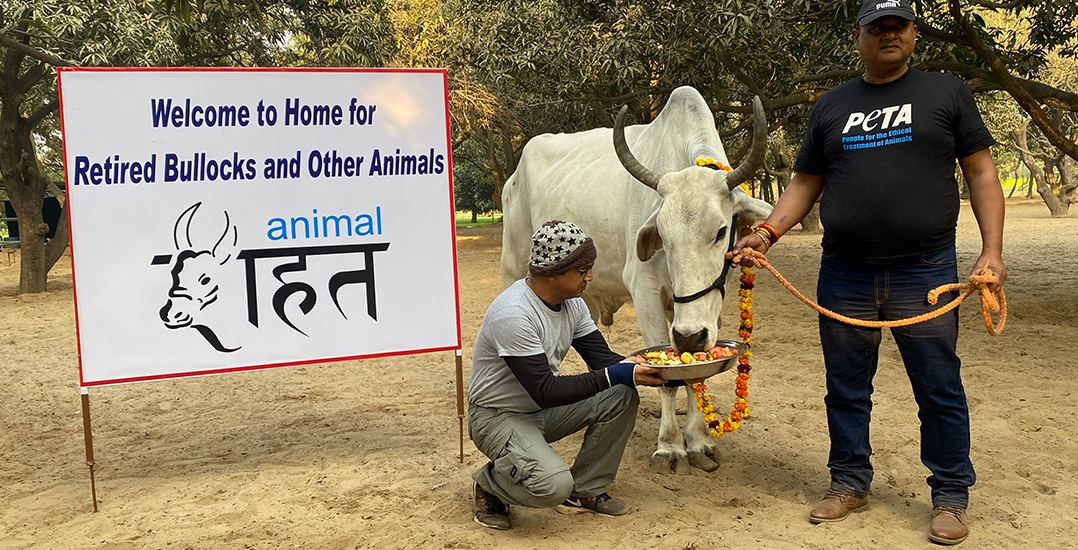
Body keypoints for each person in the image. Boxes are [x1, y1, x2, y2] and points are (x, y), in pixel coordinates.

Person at [731, 0, 1006, 545]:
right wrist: (767, 233)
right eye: (876, 27)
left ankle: (950, 495)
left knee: (939, 387)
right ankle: (848, 482)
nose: (888, 35)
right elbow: (806, 182)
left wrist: (991, 251)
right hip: (845, 272)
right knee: (847, 388)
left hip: (924, 271)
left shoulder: (945, 93)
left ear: (913, 34)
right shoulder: (832, 106)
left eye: (897, 26)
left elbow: (981, 173)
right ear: (857, 38)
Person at [467, 220, 668, 530]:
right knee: (552, 486)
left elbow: (602, 360)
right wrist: (618, 373)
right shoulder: (514, 313)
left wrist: (665, 369)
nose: (590, 276)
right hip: (497, 417)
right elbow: (544, 390)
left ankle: (585, 490)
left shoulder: (573, 303)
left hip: (540, 410)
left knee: (621, 392)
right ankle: (490, 484)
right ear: (554, 271)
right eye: (582, 269)